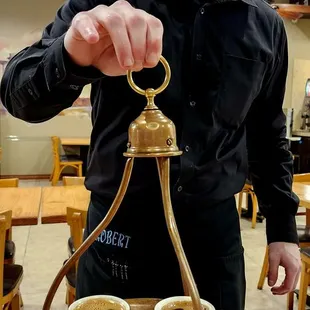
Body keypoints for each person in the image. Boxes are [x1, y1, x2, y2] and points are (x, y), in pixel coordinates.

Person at [0, 0, 302, 309]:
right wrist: (71, 57)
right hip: (118, 227)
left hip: (213, 236)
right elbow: (18, 95)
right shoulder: (105, 6)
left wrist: (282, 228)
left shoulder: (265, 24)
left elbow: (267, 133)